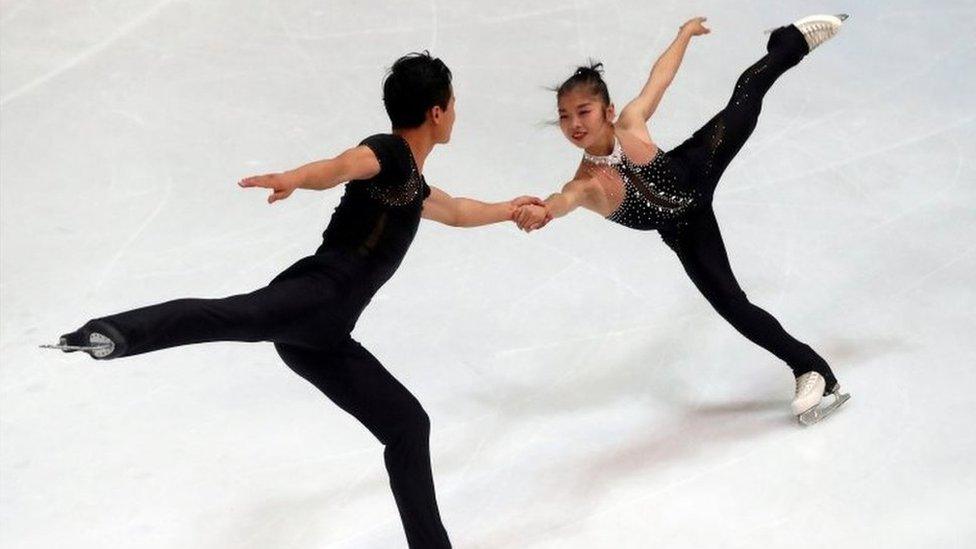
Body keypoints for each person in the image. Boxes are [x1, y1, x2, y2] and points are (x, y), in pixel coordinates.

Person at [43, 51, 544, 548]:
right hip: (311, 297)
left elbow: (454, 210)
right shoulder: (388, 154)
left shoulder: (411, 183)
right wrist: (295, 179)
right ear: (436, 112)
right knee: (226, 314)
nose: (455, 112)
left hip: (323, 336)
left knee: (408, 424)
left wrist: (508, 209)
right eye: (452, 103)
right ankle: (111, 334)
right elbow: (342, 165)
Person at [512, 15, 852, 425]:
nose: (574, 124)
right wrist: (545, 210)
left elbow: (661, 78)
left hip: (698, 164)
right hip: (685, 229)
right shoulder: (586, 184)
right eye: (565, 116)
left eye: (583, 111)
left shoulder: (631, 123)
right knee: (733, 305)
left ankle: (790, 40)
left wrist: (683, 34)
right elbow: (562, 199)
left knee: (747, 95)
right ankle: (810, 369)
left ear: (608, 111)